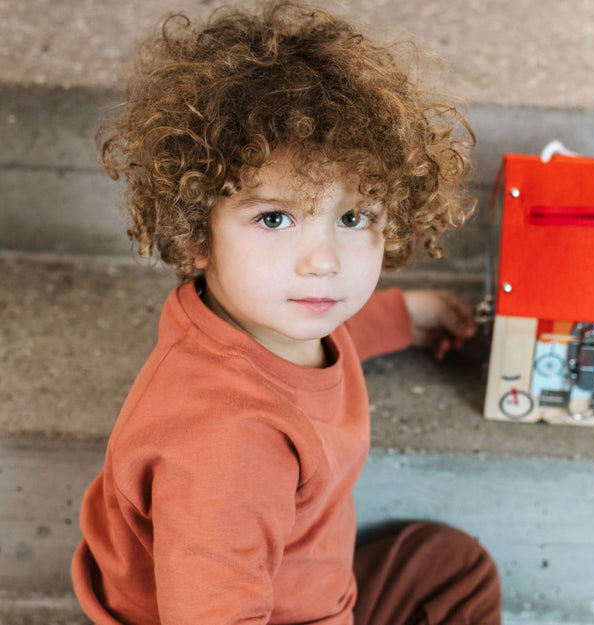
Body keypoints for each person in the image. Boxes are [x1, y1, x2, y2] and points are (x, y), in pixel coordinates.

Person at [70, 2, 502, 623]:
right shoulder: (228, 443)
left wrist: (408, 315)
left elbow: (340, 329)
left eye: (354, 218)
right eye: (275, 218)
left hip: (299, 580)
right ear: (197, 231)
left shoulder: (273, 317)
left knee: (450, 567)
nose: (322, 262)